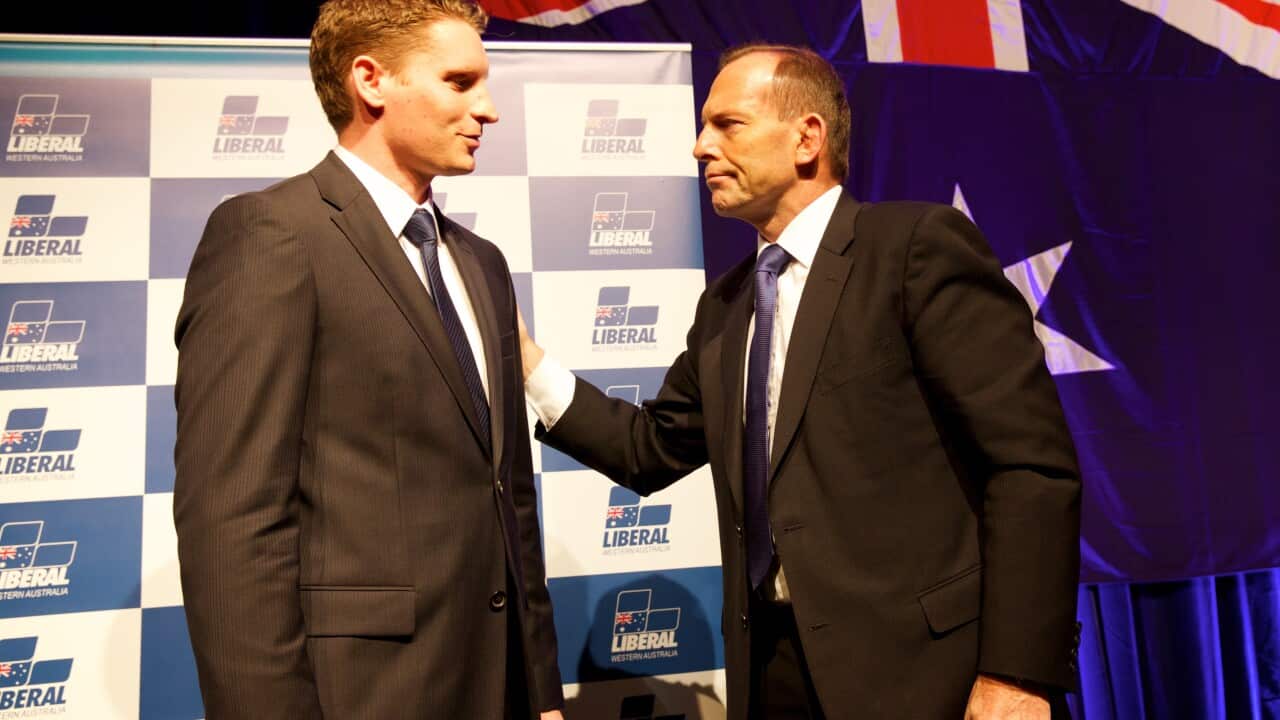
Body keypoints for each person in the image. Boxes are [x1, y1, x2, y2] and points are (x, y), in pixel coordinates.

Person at [520, 43, 1080, 719]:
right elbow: (649, 449)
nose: (701, 147)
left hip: (929, 675)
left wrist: (1016, 675)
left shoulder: (915, 250)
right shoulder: (725, 307)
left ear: (806, 137)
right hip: (774, 675)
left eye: (727, 125)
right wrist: (524, 359)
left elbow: (1029, 469)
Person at [173, 2, 563, 717]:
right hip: (360, 692)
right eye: (459, 80)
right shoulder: (272, 235)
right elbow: (231, 520)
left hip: (500, 685)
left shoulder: (481, 263)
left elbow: (506, 494)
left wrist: (539, 685)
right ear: (370, 81)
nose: (489, 108)